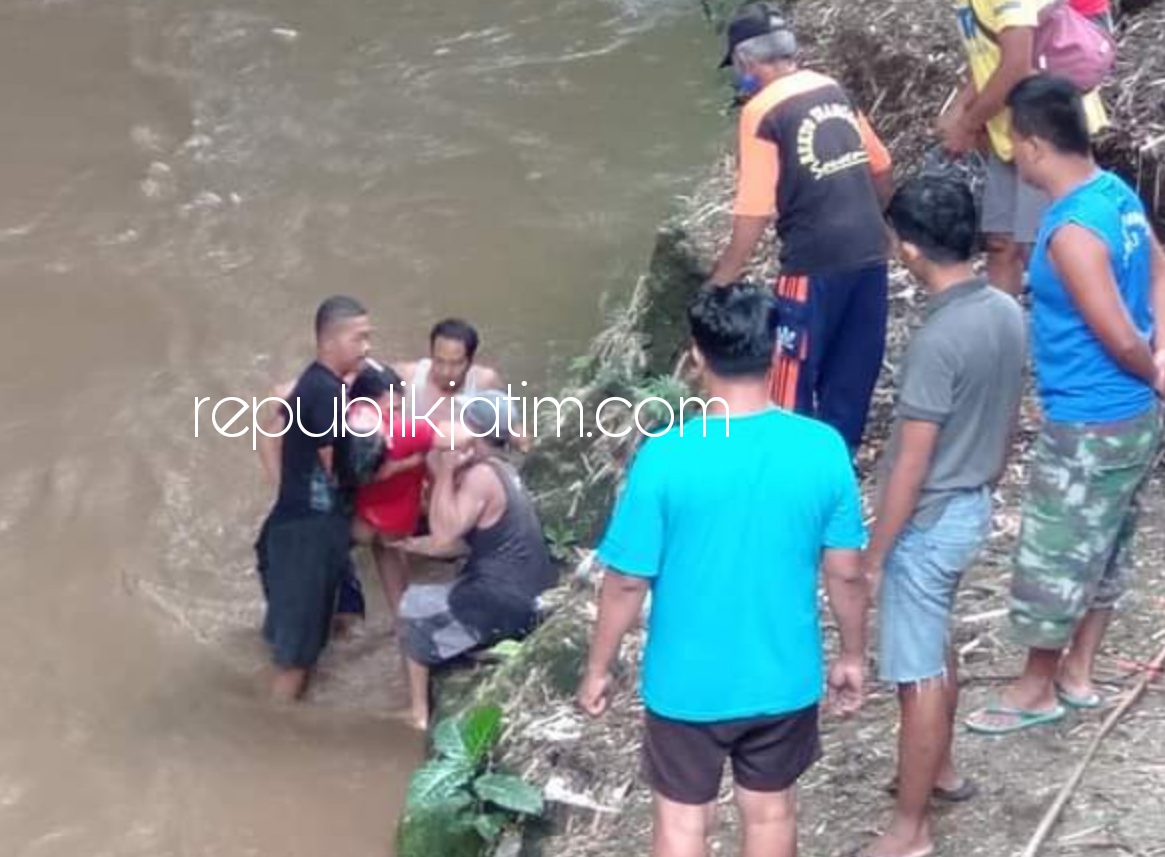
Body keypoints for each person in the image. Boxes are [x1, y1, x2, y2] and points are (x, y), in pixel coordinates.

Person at [577, 283, 871, 857]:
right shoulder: (822, 449)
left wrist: (598, 668)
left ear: (696, 356)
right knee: (770, 816)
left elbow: (628, 581)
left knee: (684, 826)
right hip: (783, 676)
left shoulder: (665, 456)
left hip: (686, 684)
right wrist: (853, 655)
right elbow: (846, 573)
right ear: (778, 351)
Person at [966, 76, 1165, 735]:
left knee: (1057, 550)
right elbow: (1160, 270)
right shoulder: (1118, 196)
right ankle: (1079, 670)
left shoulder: (1072, 231)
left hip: (1089, 418)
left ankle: (1035, 686)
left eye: (1015, 146)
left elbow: (1116, 335)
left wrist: (1154, 365)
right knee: (1108, 543)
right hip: (1131, 418)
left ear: (1032, 145)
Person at [859, 177, 1027, 857]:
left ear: (908, 250)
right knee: (938, 645)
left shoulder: (939, 339)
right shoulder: (1005, 310)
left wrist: (876, 552)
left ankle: (910, 827)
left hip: (930, 519)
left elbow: (909, 463)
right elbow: (1012, 414)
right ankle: (941, 769)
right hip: (972, 501)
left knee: (917, 671)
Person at [707, 2, 895, 454]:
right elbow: (882, 167)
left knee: (793, 380)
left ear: (747, 61)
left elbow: (753, 211)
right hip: (870, 253)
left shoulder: (762, 112)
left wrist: (721, 280)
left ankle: (790, 473)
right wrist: (873, 221)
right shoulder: (831, 88)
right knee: (852, 373)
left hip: (813, 263)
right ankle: (836, 467)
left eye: (737, 68)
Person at [396, 393, 556, 730]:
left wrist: (445, 470)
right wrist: (409, 545)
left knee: (412, 607)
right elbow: (457, 543)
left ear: (474, 433)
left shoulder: (479, 477)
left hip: (506, 605)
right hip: (530, 594)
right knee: (443, 586)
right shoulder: (503, 469)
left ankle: (418, 715)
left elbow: (443, 537)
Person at [943, 0, 1110, 294]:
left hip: (1047, 130)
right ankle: (1006, 334)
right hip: (1009, 132)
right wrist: (961, 105)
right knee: (1000, 244)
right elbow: (990, 55)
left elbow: (1016, 65)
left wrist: (967, 123)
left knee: (1043, 248)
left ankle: (1074, 329)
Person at [254, 295, 372, 702]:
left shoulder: (315, 385)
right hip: (306, 539)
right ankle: (271, 730)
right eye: (359, 338)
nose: (366, 347)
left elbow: (271, 433)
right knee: (296, 661)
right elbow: (336, 470)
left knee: (302, 639)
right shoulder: (325, 394)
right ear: (329, 342)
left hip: (297, 531)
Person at [346, 362, 434, 616]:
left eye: (398, 409)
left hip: (364, 524)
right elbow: (458, 436)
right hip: (368, 524)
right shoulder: (401, 432)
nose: (394, 418)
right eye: (390, 411)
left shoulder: (347, 423)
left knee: (402, 608)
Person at [394, 318, 505, 408]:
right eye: (439, 361)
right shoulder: (406, 377)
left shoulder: (484, 383)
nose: (446, 372)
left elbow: (512, 427)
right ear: (430, 354)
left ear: (470, 362)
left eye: (456, 364)